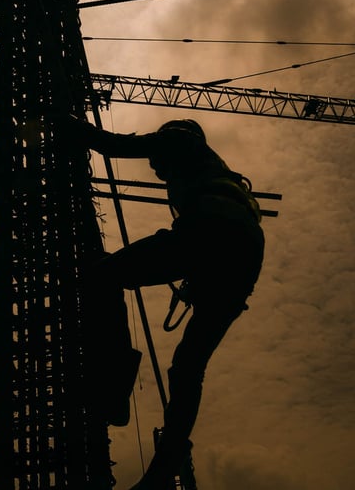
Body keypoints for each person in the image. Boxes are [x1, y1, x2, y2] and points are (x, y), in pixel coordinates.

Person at [65, 116, 265, 490]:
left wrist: (68, 124)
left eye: (156, 161)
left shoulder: (177, 139)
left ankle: (113, 384)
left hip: (209, 229)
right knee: (187, 368)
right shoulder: (214, 172)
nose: (154, 167)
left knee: (104, 276)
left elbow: (115, 145)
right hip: (243, 259)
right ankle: (167, 460)